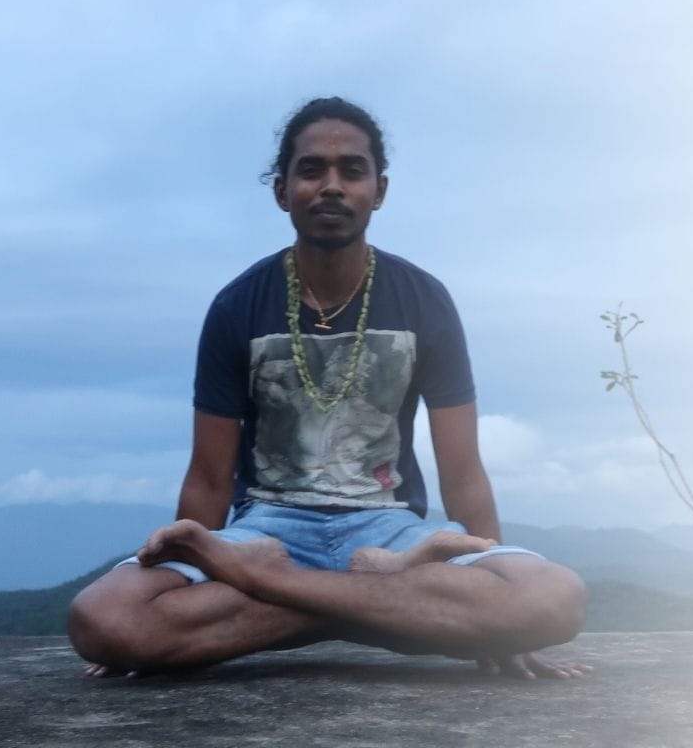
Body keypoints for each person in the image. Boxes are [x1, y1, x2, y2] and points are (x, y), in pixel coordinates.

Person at [67, 98, 590, 681]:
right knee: (104, 618)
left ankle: (277, 584)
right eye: (312, 170)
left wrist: (496, 576)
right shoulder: (237, 306)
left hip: (390, 529)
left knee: (552, 599)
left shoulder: (425, 300)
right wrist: (479, 620)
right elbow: (210, 478)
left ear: (379, 190)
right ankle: (376, 600)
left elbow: (462, 471)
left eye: (352, 171)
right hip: (267, 529)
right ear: (282, 191)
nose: (332, 186)